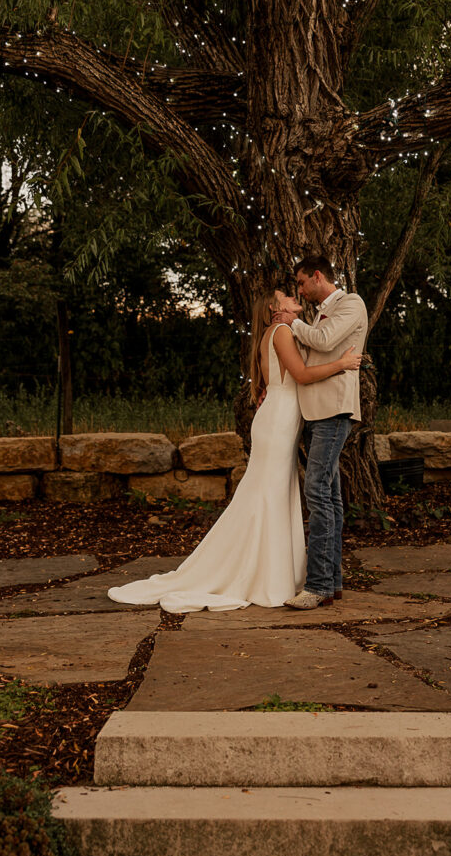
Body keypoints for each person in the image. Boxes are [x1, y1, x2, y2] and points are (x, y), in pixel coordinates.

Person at [107, 288, 361, 613]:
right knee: (268, 494)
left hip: (280, 418)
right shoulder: (281, 331)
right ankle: (263, 573)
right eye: (284, 295)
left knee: (272, 493)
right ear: (274, 307)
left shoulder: (279, 331)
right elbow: (301, 375)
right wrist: (342, 364)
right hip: (280, 421)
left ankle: (274, 570)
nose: (291, 295)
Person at [277, 255, 368, 610]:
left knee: (316, 490)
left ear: (317, 276)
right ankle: (331, 583)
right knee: (329, 494)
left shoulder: (351, 303)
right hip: (317, 411)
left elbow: (326, 340)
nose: (299, 290)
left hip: (334, 409)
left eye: (301, 283)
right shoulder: (315, 314)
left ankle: (316, 585)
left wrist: (293, 322)